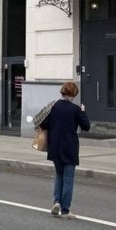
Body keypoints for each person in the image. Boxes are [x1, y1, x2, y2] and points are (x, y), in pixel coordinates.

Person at [41, 81, 91, 219]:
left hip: (54, 146)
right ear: (73, 94)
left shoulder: (54, 106)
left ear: (62, 92)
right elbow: (86, 126)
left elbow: (44, 123)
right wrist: (83, 112)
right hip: (69, 147)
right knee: (68, 179)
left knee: (59, 175)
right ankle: (65, 210)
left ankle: (57, 202)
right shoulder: (75, 109)